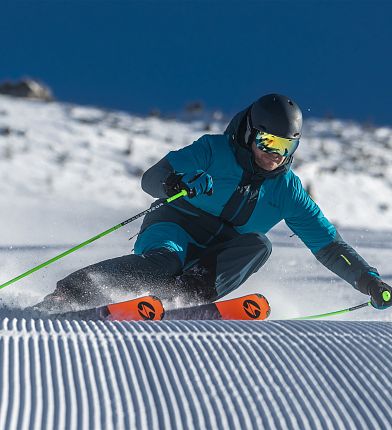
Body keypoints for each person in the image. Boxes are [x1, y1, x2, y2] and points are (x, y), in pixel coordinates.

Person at [35, 93, 392, 313]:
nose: (273, 155)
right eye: (267, 142)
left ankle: (183, 296)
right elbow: (152, 178)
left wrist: (368, 280)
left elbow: (329, 246)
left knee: (260, 245)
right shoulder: (213, 150)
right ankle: (69, 294)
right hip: (175, 226)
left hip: (219, 255)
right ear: (251, 133)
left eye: (284, 148)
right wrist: (177, 182)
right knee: (164, 260)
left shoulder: (288, 190)